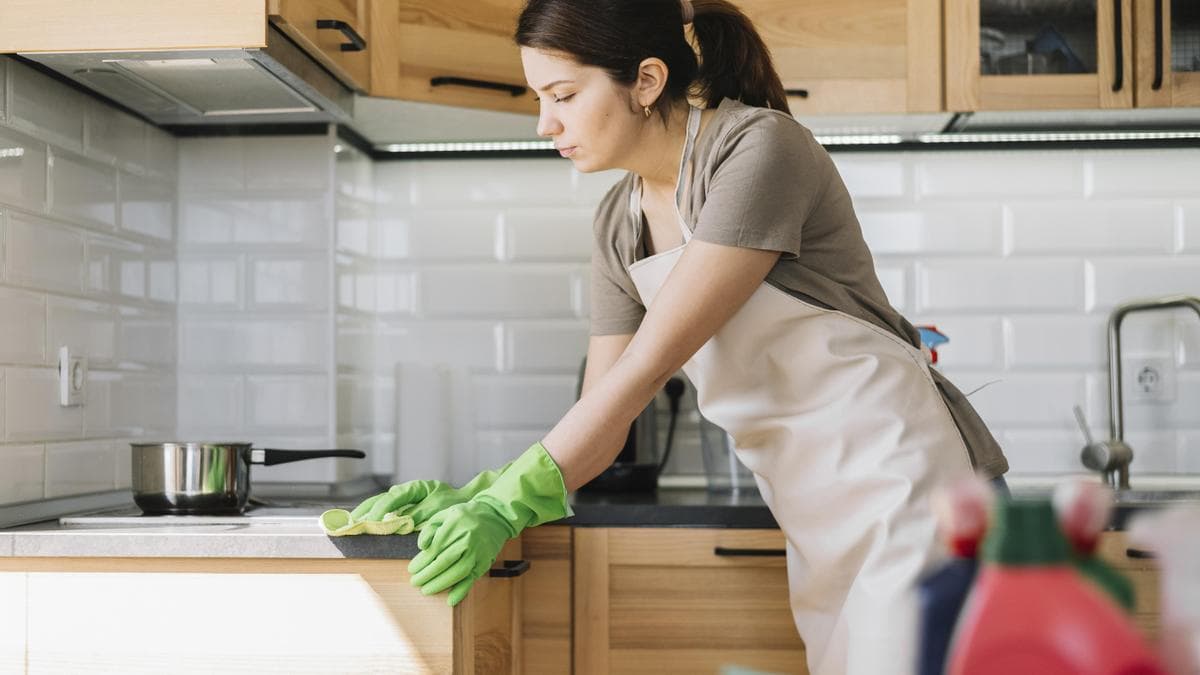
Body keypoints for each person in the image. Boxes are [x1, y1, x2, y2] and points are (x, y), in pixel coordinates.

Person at [348, 0, 1010, 672]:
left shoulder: (759, 149)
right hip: (814, 517)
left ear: (645, 80)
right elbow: (602, 414)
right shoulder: (619, 223)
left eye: (564, 96)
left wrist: (510, 497)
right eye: (540, 98)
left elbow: (643, 370)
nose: (546, 123)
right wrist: (480, 491)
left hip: (913, 489)